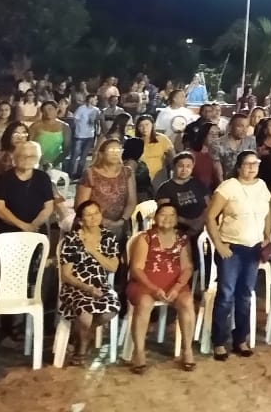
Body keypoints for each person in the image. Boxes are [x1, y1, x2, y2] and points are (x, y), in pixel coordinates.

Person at [205, 150, 271, 360]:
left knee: (245, 295)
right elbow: (210, 217)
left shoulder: (261, 186)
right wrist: (219, 244)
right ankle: (219, 341)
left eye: (255, 164)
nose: (252, 168)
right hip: (232, 247)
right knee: (226, 295)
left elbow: (267, 212)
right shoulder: (228, 187)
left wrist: (266, 235)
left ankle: (240, 339)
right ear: (239, 167)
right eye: (248, 164)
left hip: (252, 247)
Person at [125, 202, 197, 372]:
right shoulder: (146, 238)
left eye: (172, 215)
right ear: (156, 218)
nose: (168, 218)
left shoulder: (182, 239)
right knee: (145, 303)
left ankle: (187, 351)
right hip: (145, 284)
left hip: (174, 285)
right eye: (163, 214)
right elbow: (136, 268)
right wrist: (153, 288)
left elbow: (187, 267)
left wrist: (177, 287)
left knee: (187, 301)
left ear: (177, 219)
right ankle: (139, 352)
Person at [58, 200, 121, 366]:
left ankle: (82, 336)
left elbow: (113, 267)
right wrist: (87, 287)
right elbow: (66, 275)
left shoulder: (109, 237)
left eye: (96, 213)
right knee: (86, 314)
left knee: (111, 310)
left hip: (101, 286)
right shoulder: (71, 239)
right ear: (80, 220)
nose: (94, 218)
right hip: (75, 286)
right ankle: (83, 347)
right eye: (88, 215)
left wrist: (92, 250)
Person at [0, 140, 54, 238]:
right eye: (23, 156)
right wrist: (24, 226)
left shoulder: (43, 178)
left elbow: (48, 207)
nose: (27, 159)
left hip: (36, 229)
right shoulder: (3, 179)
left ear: (37, 159)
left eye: (32, 156)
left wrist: (33, 226)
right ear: (15, 158)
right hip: (7, 230)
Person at [75, 138, 137, 244]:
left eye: (118, 150)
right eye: (111, 150)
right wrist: (104, 222)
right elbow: (81, 205)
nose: (115, 154)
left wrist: (121, 221)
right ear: (102, 154)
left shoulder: (127, 172)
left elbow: (132, 201)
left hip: (120, 223)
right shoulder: (90, 173)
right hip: (92, 223)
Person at [155, 152, 211, 237]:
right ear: (174, 167)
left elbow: (209, 205)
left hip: (202, 229)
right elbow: (165, 213)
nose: (184, 170)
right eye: (181, 166)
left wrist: (200, 222)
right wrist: (190, 223)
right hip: (177, 231)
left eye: (188, 166)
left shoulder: (197, 183)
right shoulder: (165, 188)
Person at [133, 116, 174, 186]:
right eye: (141, 125)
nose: (144, 128)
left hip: (159, 177)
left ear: (153, 125)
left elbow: (172, 158)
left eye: (147, 125)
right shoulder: (134, 142)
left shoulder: (162, 139)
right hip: (141, 179)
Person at [29, 101, 70, 172]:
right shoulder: (35, 126)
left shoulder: (64, 127)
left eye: (50, 109)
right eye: (44, 110)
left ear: (57, 109)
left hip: (55, 163)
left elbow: (66, 149)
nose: (47, 112)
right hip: (36, 163)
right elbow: (29, 145)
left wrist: (53, 164)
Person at [70, 92, 101, 178]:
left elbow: (98, 121)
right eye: (95, 99)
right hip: (79, 135)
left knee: (83, 157)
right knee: (75, 156)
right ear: (90, 99)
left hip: (90, 135)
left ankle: (79, 174)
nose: (96, 101)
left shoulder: (96, 110)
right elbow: (75, 120)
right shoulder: (81, 109)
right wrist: (77, 130)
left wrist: (97, 131)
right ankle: (69, 173)